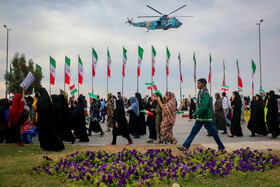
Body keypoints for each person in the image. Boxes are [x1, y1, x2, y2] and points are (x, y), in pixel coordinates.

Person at [179, 78, 226, 153]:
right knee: (193, 131)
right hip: (201, 117)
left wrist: (195, 113)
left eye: (199, 83)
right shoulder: (201, 92)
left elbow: (203, 107)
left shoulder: (205, 94)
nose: (197, 85)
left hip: (206, 117)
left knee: (213, 133)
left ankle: (222, 148)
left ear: (203, 84)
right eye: (197, 83)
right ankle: (185, 146)